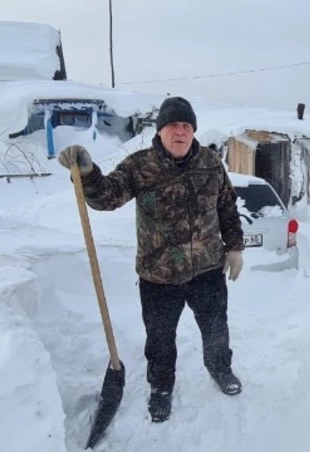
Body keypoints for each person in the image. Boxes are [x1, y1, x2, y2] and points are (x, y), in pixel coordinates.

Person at [57, 96, 246, 423]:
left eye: (186, 126)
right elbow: (107, 196)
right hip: (159, 275)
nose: (180, 132)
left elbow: (227, 206)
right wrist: (87, 173)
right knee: (160, 339)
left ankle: (220, 369)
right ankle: (160, 387)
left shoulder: (211, 163)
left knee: (216, 328)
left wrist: (235, 247)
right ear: (160, 131)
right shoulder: (139, 165)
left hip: (207, 268)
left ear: (193, 131)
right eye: (173, 125)